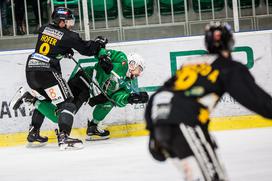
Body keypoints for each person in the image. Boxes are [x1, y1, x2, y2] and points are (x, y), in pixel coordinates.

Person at [145, 21, 272, 181]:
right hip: (185, 125)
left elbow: (160, 94)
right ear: (230, 42)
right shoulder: (229, 67)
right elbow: (256, 100)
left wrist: (153, 131)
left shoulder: (191, 63)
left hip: (161, 123)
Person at [10, 7, 108, 150]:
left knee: (46, 99)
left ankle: (33, 132)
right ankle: (64, 137)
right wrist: (98, 44)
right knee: (68, 103)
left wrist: (63, 50)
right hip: (46, 71)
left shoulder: (44, 28)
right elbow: (86, 49)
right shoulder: (69, 36)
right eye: (68, 21)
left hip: (31, 69)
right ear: (61, 22)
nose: (71, 24)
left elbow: (52, 43)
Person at [67, 49, 149, 141]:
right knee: (69, 108)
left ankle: (93, 127)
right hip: (86, 79)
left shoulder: (127, 83)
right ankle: (63, 131)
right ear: (132, 64)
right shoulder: (121, 59)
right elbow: (101, 51)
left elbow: (117, 98)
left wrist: (129, 99)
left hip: (95, 94)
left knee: (110, 102)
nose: (139, 74)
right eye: (140, 69)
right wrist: (104, 59)